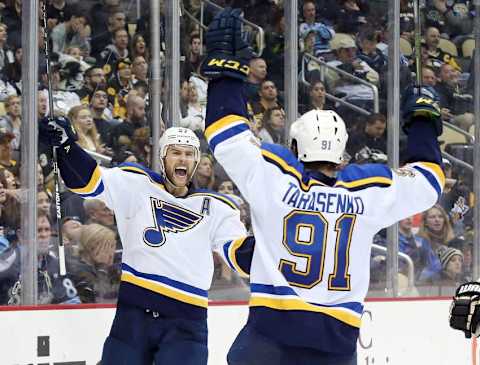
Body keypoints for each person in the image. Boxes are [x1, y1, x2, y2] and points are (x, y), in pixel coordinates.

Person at [201, 8, 445, 364]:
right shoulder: (367, 193)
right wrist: (423, 123)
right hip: (336, 344)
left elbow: (225, 133)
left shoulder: (274, 176)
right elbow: (428, 182)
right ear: (342, 153)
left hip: (269, 338)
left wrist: (227, 71)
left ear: (297, 148)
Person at [39, 115, 254, 364]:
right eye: (175, 152)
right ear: (163, 157)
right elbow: (87, 181)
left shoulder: (217, 207)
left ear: (196, 160)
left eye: (188, 154)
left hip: (185, 323)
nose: (182, 158)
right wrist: (67, 146)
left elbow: (237, 252)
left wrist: (272, 247)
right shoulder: (135, 184)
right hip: (133, 316)